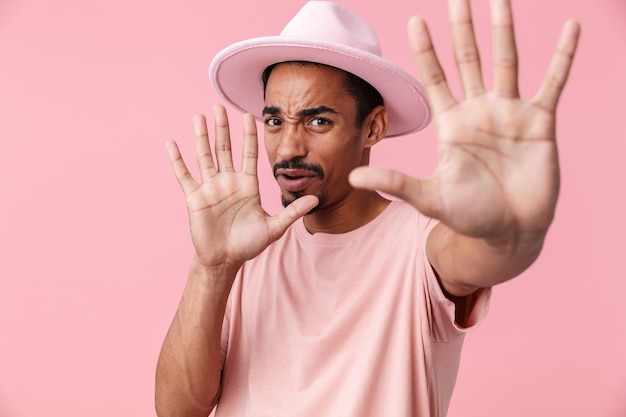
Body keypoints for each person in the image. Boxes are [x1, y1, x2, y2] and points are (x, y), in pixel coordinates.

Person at [155, 0, 580, 416]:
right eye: (274, 121)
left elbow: (479, 255)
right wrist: (211, 268)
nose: (288, 147)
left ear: (372, 127)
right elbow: (177, 410)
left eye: (318, 121)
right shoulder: (244, 249)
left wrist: (509, 230)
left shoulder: (421, 244)